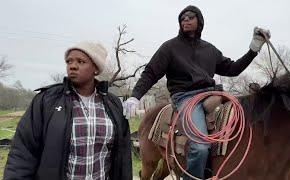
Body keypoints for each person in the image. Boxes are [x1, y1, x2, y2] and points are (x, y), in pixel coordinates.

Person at [123, 5, 270, 179]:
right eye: (182, 18)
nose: (185, 19)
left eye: (190, 16)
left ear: (199, 21)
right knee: (200, 146)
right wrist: (135, 96)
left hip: (212, 94)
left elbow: (233, 69)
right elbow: (151, 73)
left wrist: (253, 49)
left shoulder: (209, 49)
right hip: (185, 97)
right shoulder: (169, 47)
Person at [4, 42, 132, 180]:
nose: (72, 66)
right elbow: (23, 152)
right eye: (69, 61)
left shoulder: (113, 105)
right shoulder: (47, 100)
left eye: (80, 61)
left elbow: (122, 157)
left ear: (95, 68)